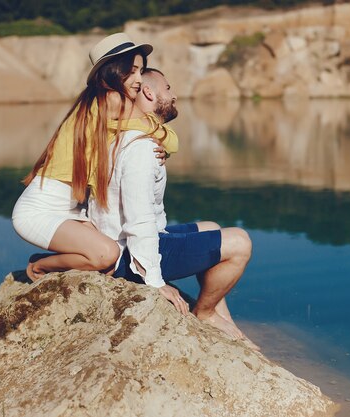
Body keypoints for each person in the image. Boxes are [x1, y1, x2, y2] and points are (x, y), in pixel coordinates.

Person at [89, 66, 256, 345]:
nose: (174, 95)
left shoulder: (135, 136)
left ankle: (222, 318)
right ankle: (203, 313)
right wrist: (155, 282)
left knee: (211, 227)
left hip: (136, 239)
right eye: (168, 89)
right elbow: (138, 221)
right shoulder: (141, 149)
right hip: (130, 256)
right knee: (240, 242)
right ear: (149, 92)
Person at [12, 33, 175, 281]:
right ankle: (39, 266)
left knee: (108, 260)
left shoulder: (95, 100)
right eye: (132, 71)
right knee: (106, 255)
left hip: (73, 212)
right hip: (39, 211)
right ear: (114, 72)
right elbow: (170, 137)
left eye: (141, 72)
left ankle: (52, 262)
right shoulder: (112, 100)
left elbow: (155, 135)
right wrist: (165, 145)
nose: (139, 80)